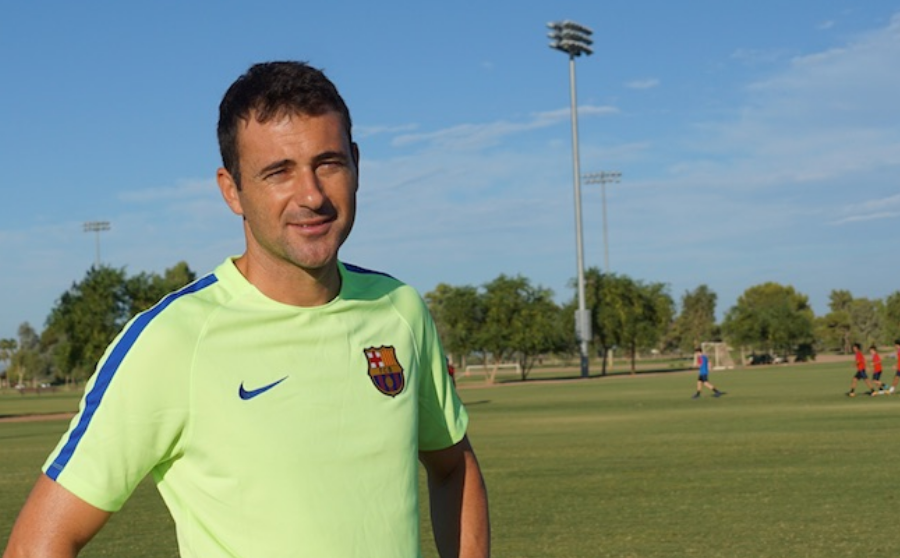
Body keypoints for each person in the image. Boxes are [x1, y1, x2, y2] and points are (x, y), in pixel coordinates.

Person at [3, 61, 490, 558]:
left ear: (356, 165)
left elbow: (454, 467)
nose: (312, 195)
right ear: (231, 190)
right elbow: (37, 544)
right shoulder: (175, 339)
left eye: (328, 163)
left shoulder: (399, 309)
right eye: (279, 172)